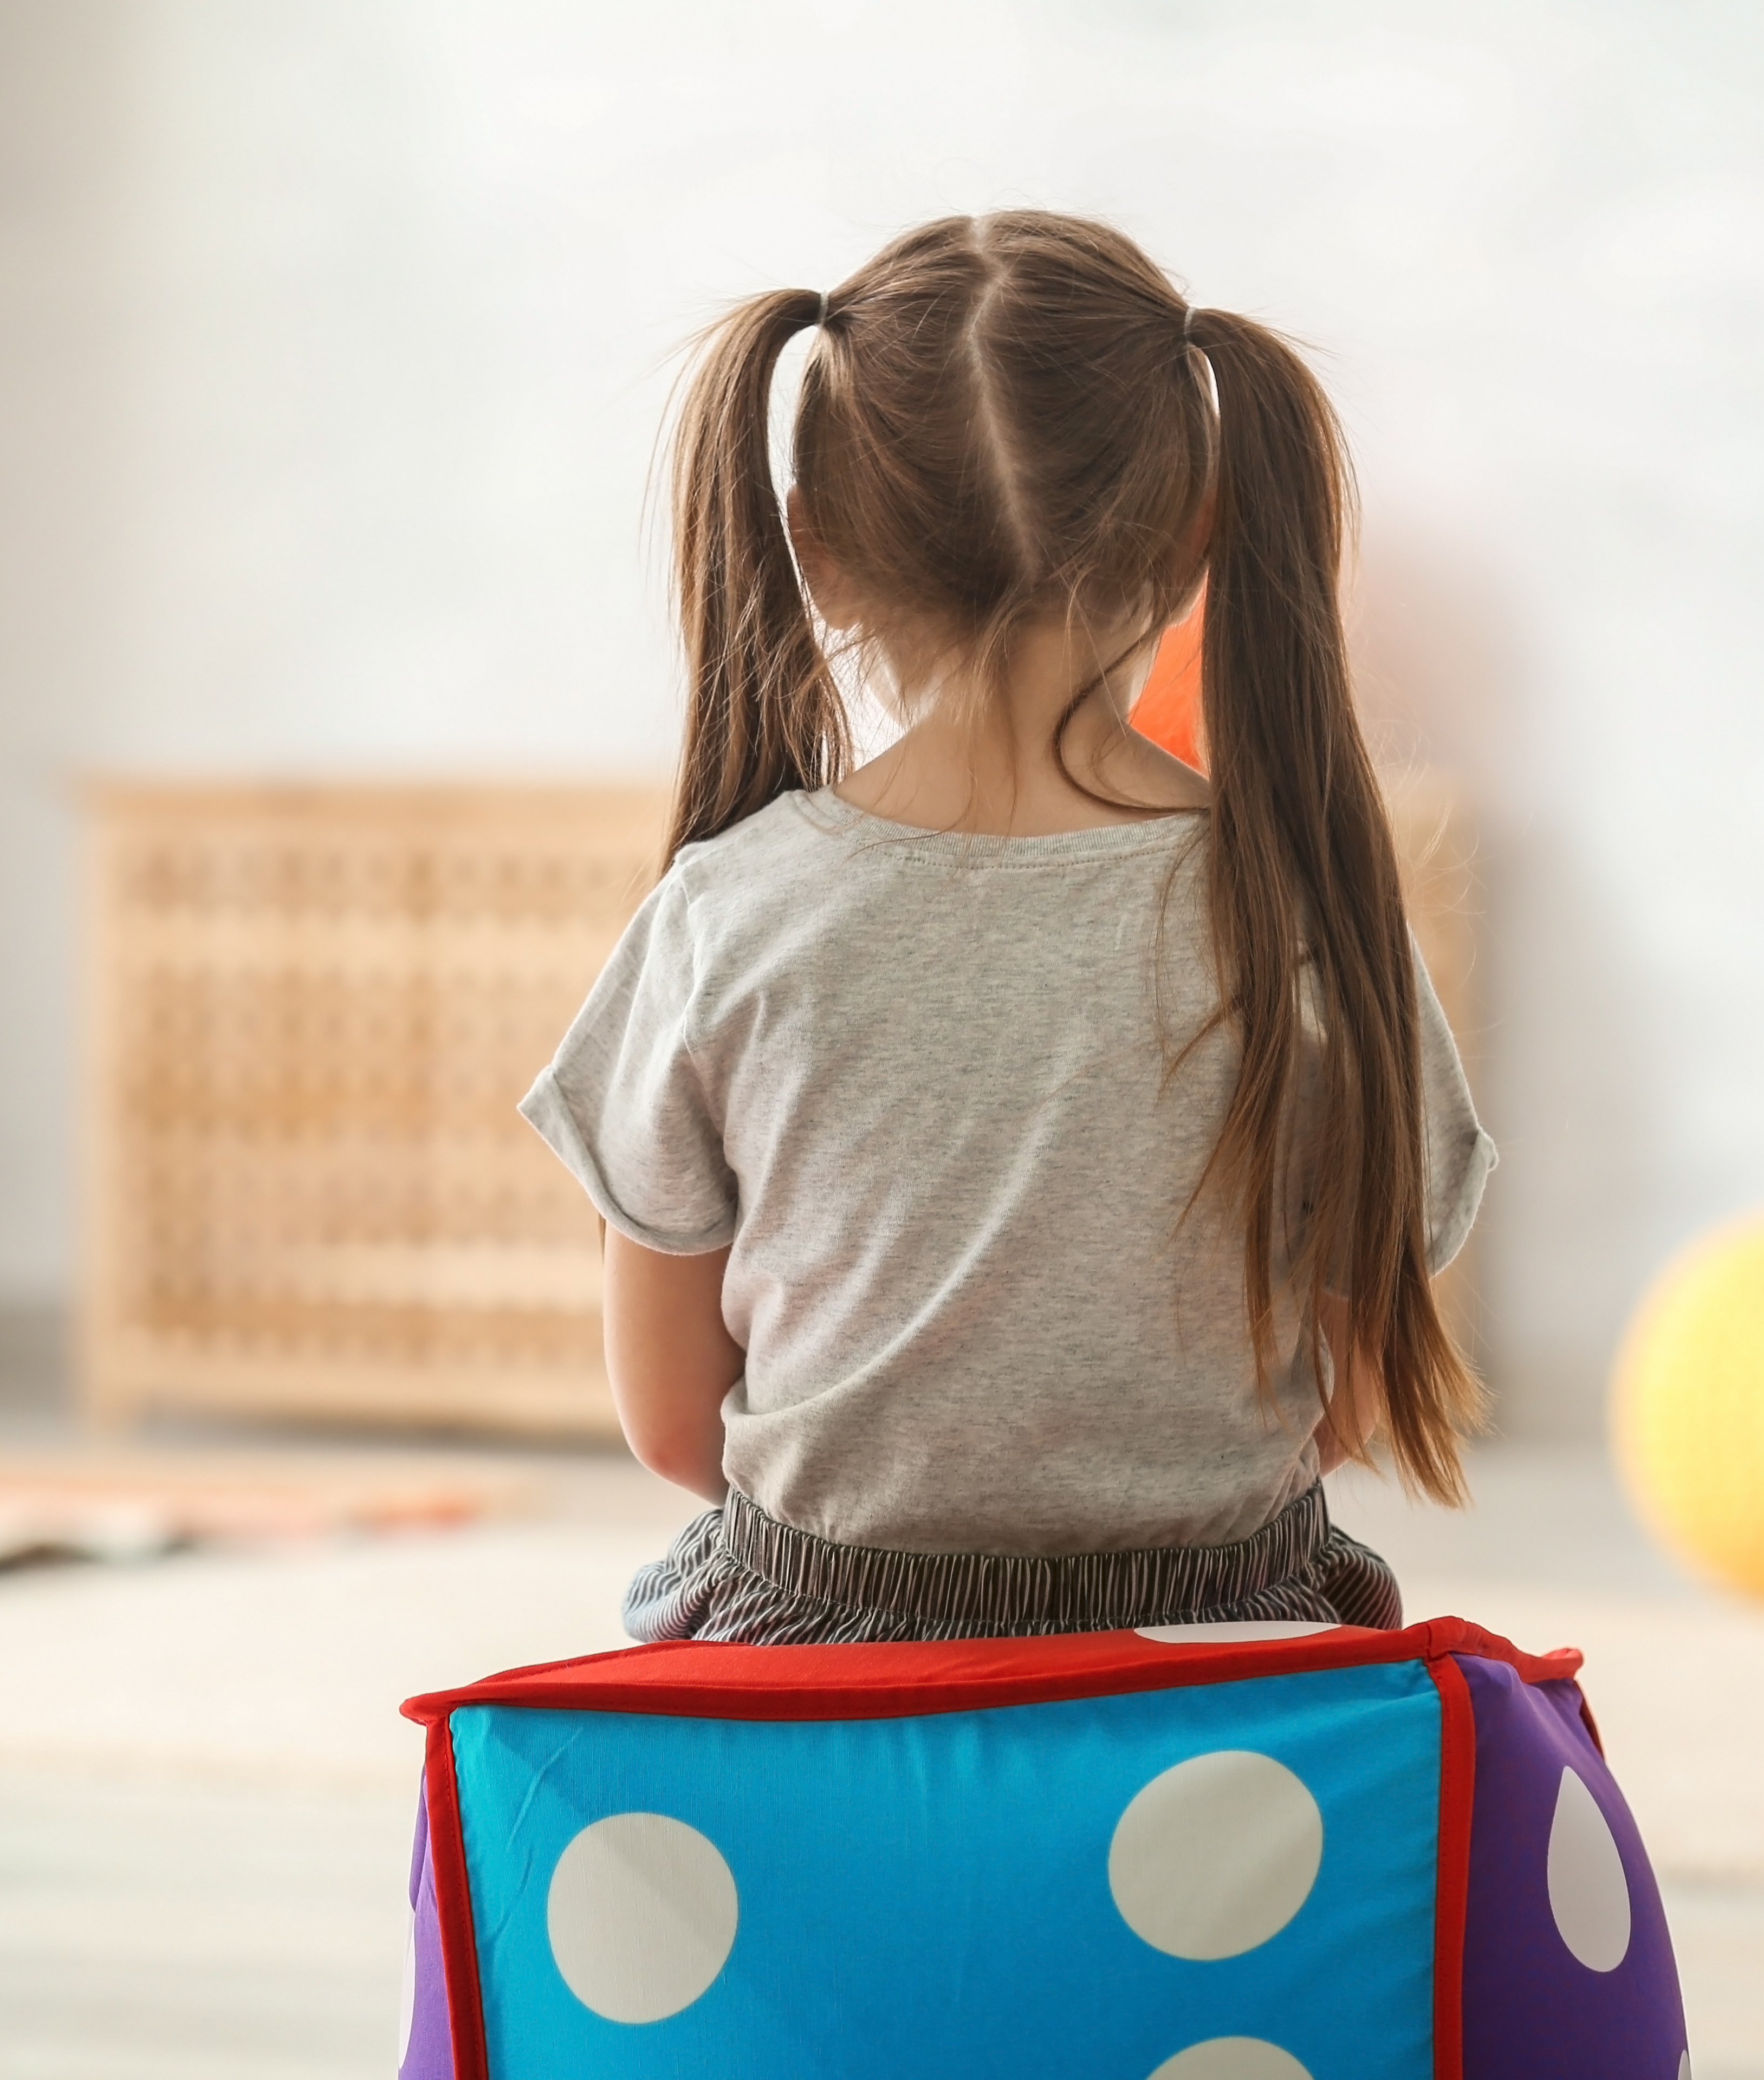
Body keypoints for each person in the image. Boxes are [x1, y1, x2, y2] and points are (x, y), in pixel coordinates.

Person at [521, 211, 1494, 1644]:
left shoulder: (725, 916)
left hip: (823, 1660)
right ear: (1199, 540)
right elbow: (1347, 1404)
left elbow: (675, 1428)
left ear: (815, 550)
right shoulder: (1311, 918)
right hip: (1226, 1656)